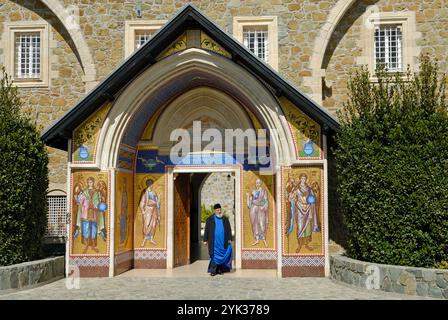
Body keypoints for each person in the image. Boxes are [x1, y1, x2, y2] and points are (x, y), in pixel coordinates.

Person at [203, 203, 232, 276]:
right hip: (214, 241)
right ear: (215, 210)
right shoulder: (210, 219)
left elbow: (229, 229)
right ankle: (213, 271)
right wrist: (205, 240)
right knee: (214, 256)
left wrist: (229, 238)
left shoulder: (225, 219)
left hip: (223, 241)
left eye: (219, 209)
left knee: (222, 255)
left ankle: (219, 270)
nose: (219, 211)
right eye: (217, 210)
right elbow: (206, 230)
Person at [246, 179, 269, 247]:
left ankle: (264, 240)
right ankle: (257, 239)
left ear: (261, 183)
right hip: (253, 210)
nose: (257, 184)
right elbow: (249, 204)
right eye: (256, 183)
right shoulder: (253, 192)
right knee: (255, 224)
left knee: (262, 224)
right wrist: (248, 197)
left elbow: (265, 201)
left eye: (259, 183)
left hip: (261, 210)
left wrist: (255, 202)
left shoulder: (264, 192)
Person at [139, 178, 161, 247]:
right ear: (148, 184)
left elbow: (157, 203)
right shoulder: (145, 192)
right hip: (148, 210)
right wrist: (143, 211)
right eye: (150, 184)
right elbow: (142, 202)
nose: (151, 185)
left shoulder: (154, 192)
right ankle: (144, 240)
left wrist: (158, 200)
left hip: (154, 210)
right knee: (147, 225)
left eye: (152, 184)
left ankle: (151, 239)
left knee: (153, 225)